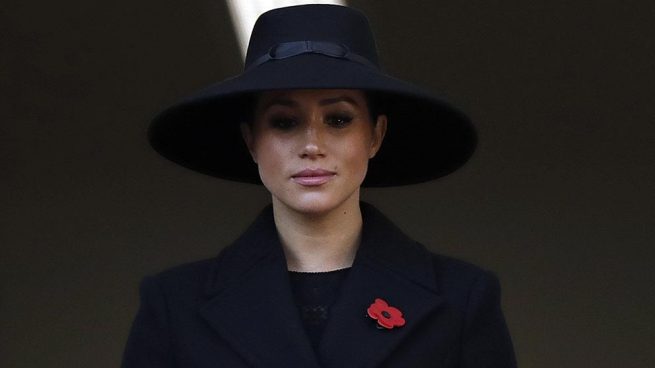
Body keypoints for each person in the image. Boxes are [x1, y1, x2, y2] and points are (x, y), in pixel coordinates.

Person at [122, 4, 516, 368]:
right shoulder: (174, 305)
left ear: (375, 136)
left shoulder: (461, 300)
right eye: (284, 121)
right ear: (251, 140)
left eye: (339, 120)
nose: (312, 145)